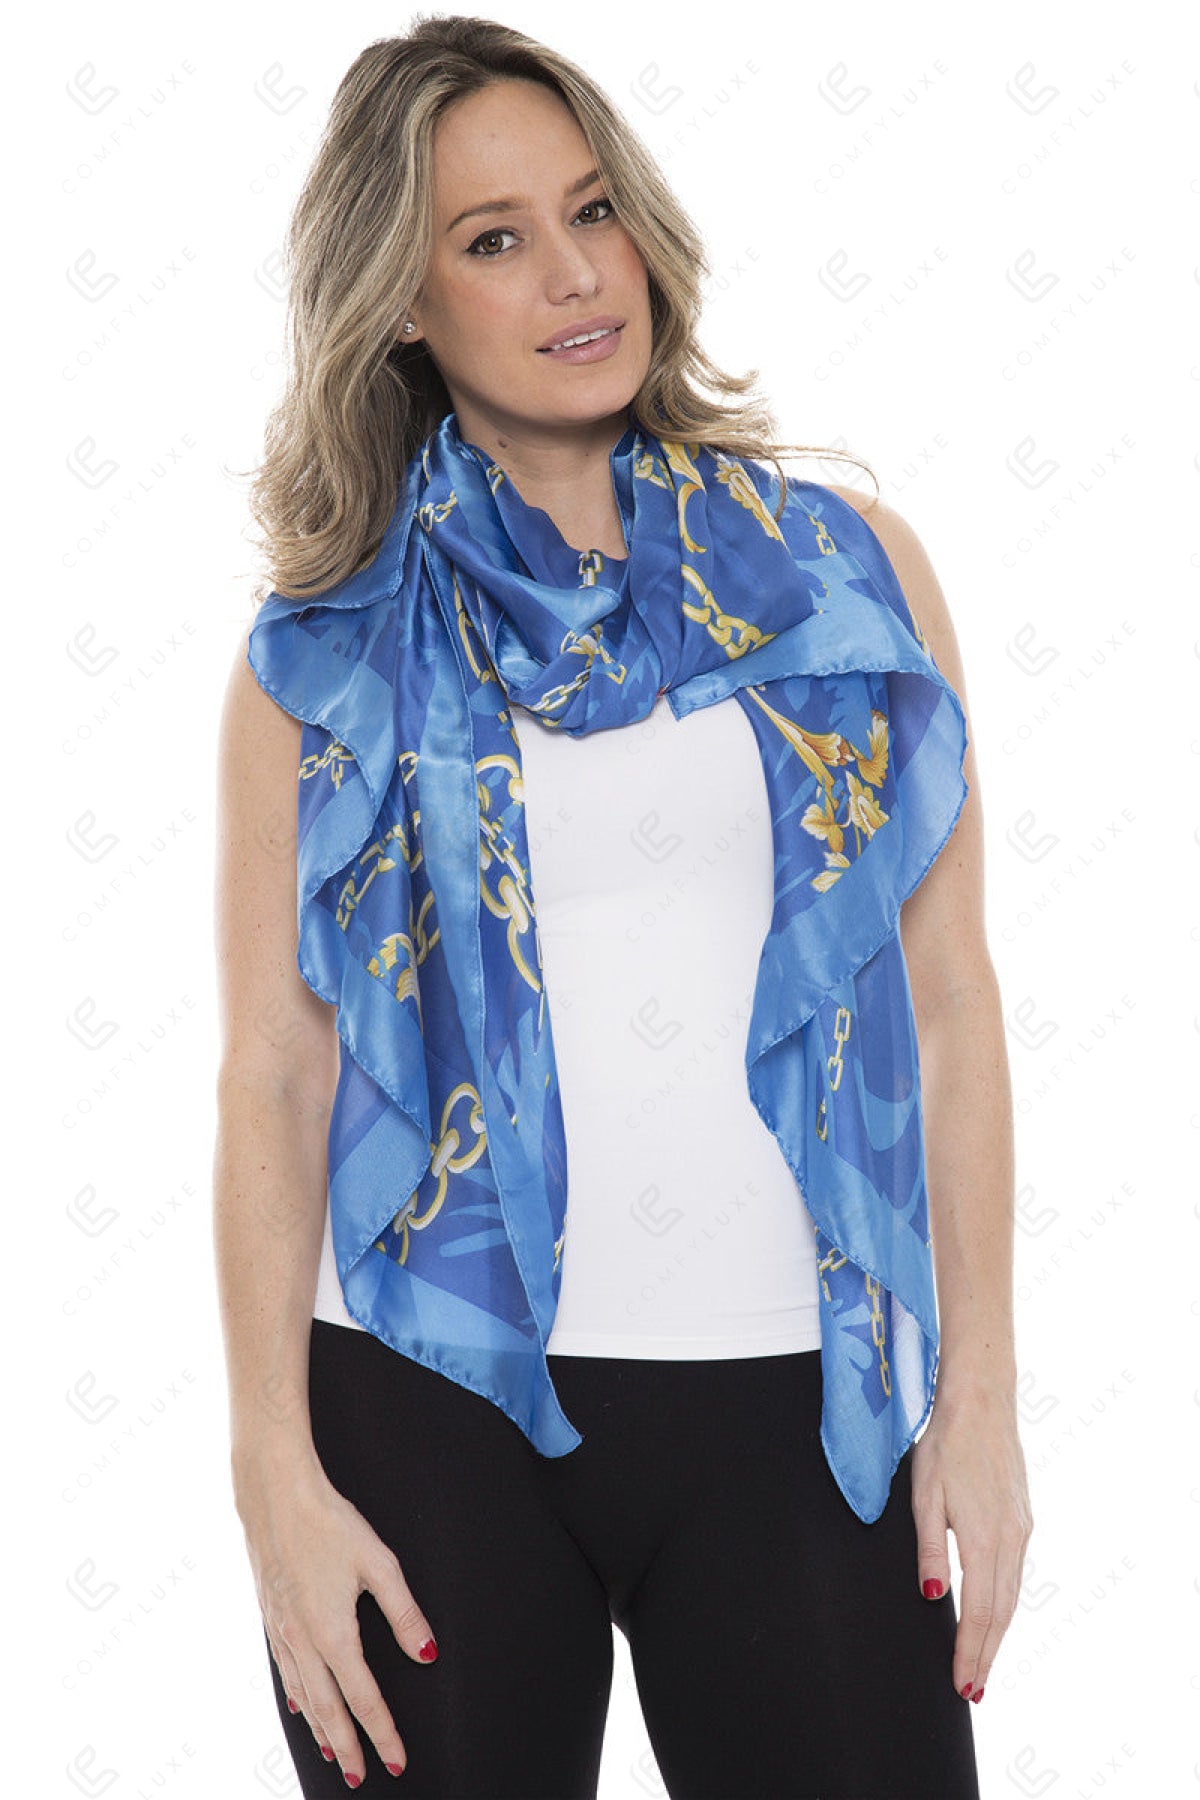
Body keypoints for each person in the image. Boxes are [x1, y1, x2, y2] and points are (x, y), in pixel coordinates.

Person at [213, 15, 1033, 1797]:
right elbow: (274, 1069)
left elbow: (950, 997)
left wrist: (981, 1388)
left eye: (593, 210)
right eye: (494, 238)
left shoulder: (840, 573)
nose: (579, 275)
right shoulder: (327, 648)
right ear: (402, 301)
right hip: (426, 1398)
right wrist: (272, 1471)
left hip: (794, 1394)